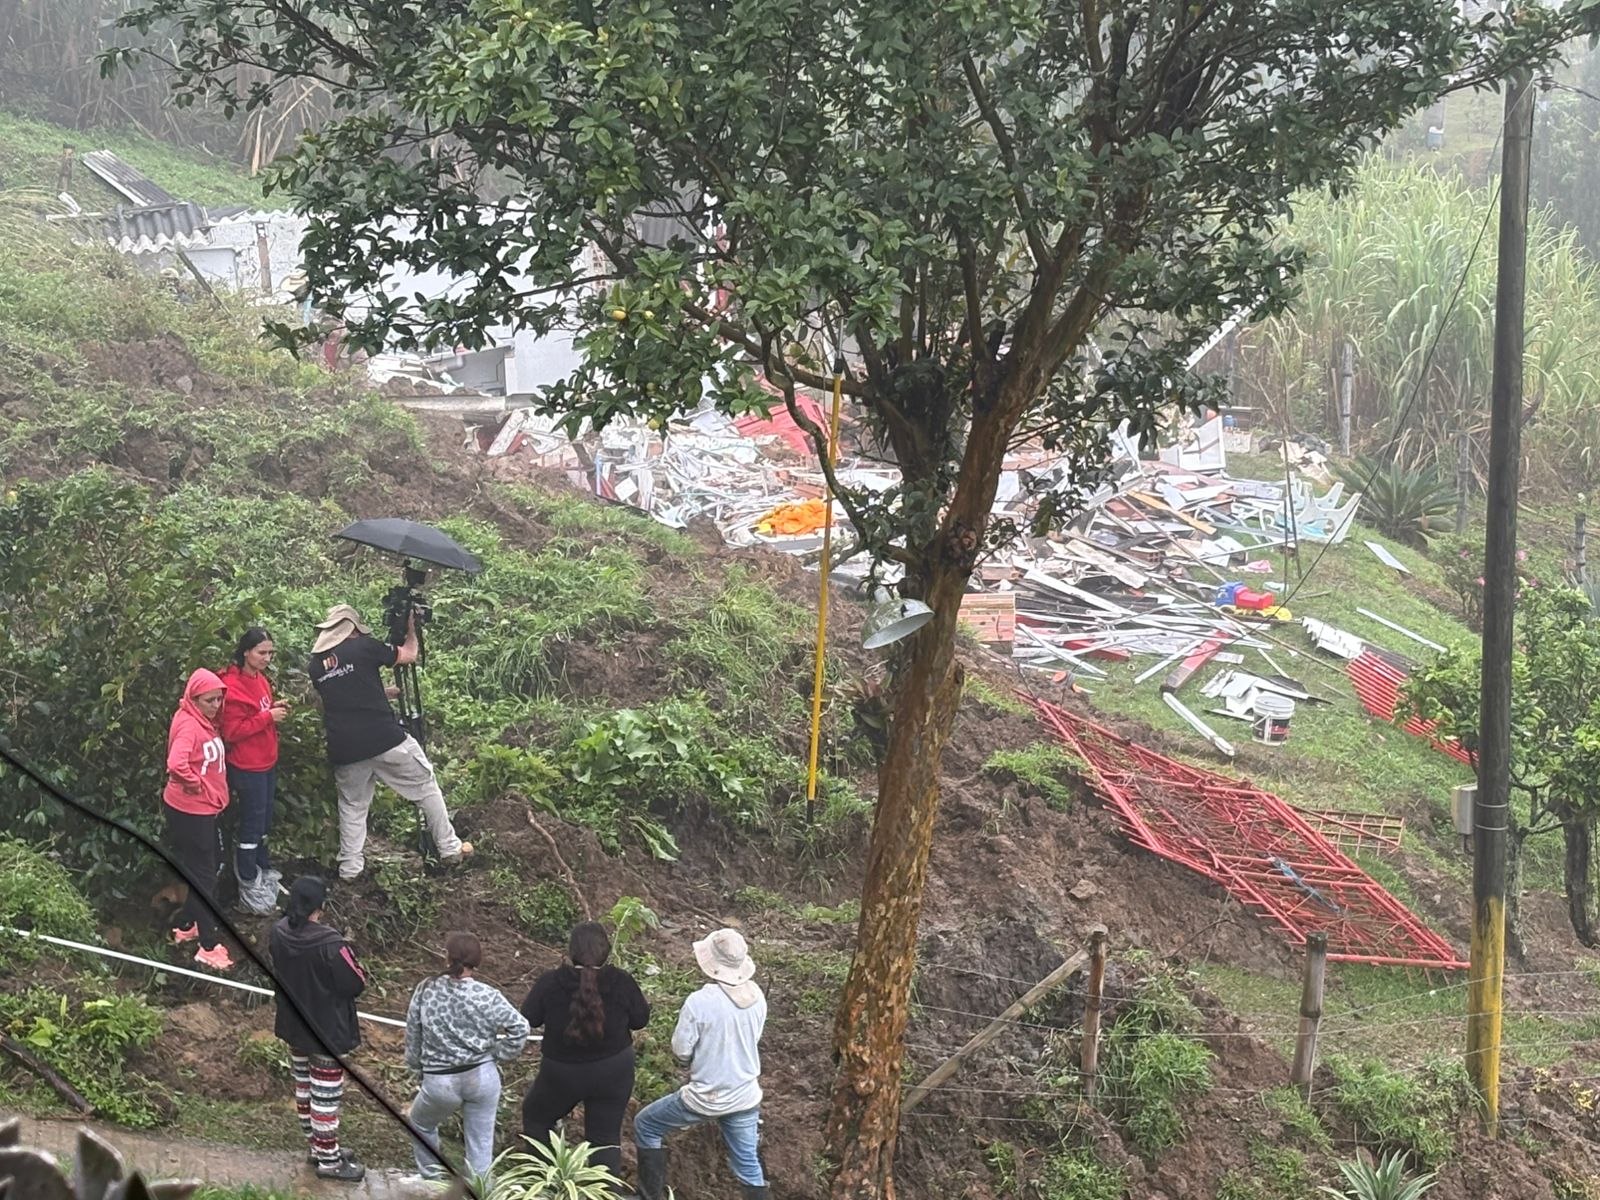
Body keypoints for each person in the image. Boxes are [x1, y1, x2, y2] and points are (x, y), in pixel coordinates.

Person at [307, 604, 471, 881]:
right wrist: (411, 628)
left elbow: (343, 692)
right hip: (384, 739)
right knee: (425, 786)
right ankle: (450, 848)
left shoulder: (316, 665)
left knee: (353, 807)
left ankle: (350, 869)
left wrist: (381, 692)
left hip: (345, 748)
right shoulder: (364, 647)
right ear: (353, 630)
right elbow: (410, 655)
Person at [632, 929, 769, 1200]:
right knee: (748, 1165)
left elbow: (681, 1050)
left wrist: (688, 1061)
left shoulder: (699, 1002)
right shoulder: (756, 995)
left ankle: (649, 1196)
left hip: (706, 1097)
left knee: (646, 1124)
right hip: (745, 1096)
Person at [520, 922, 651, 1183]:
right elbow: (640, 1020)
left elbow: (529, 1018)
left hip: (561, 1073)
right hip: (614, 1071)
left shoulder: (551, 982)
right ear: (607, 951)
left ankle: (546, 1184)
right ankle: (603, 1193)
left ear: (571, 952)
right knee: (604, 1138)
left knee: (536, 1118)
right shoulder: (622, 981)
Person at [404, 931, 531, 1182]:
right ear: (477, 961)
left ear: (446, 957)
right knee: (480, 1143)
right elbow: (521, 1028)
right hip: (482, 1076)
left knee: (420, 1124)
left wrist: (417, 1068)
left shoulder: (426, 989)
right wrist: (499, 1053)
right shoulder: (488, 995)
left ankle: (432, 1177)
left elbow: (413, 1034)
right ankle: (479, 1189)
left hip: (440, 1080)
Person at [270, 877, 367, 1183]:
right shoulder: (329, 943)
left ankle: (317, 1147)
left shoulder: (278, 931)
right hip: (327, 1029)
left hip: (294, 1023)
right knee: (326, 1094)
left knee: (304, 1087)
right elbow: (356, 983)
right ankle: (329, 1161)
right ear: (319, 907)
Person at [163, 668, 234, 971]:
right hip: (192, 811)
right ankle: (207, 944)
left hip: (202, 809)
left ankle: (186, 924)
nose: (216, 705)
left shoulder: (201, 721)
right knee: (205, 876)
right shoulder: (190, 726)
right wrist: (197, 786)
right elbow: (176, 764)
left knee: (206, 868)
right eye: (209, 700)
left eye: (219, 699)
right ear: (193, 698)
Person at [219, 628, 289, 916]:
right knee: (252, 824)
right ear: (246, 652)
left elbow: (257, 715)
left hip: (266, 761)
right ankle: (248, 879)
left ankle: (262, 868)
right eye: (262, 652)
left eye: (270, 653)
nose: (267, 658)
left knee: (264, 822)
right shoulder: (232, 687)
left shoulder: (260, 680)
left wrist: (272, 709)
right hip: (248, 766)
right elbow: (233, 731)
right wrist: (267, 717)